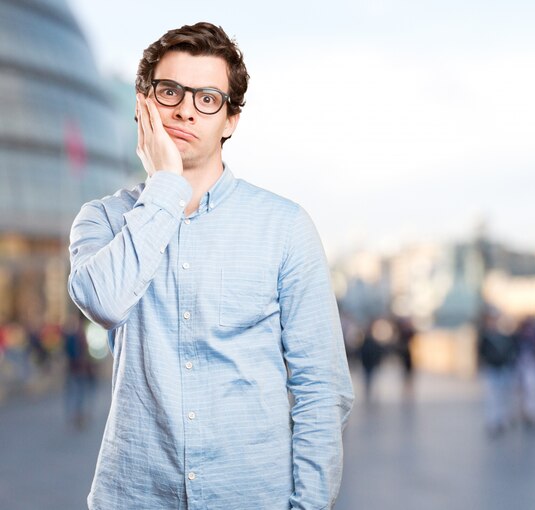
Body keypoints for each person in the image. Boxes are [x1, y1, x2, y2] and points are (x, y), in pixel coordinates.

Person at [68, 22, 354, 510]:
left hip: (251, 495)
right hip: (133, 496)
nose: (184, 108)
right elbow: (105, 303)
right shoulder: (103, 219)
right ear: (144, 103)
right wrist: (166, 188)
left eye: (207, 98)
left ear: (231, 120)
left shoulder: (285, 226)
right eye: (169, 91)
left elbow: (321, 390)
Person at [477, 306, 519, 436]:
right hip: (492, 368)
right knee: (492, 396)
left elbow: (512, 349)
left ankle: (501, 420)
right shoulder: (485, 335)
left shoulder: (504, 334)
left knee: (503, 395)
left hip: (504, 368)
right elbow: (481, 352)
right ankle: (493, 421)